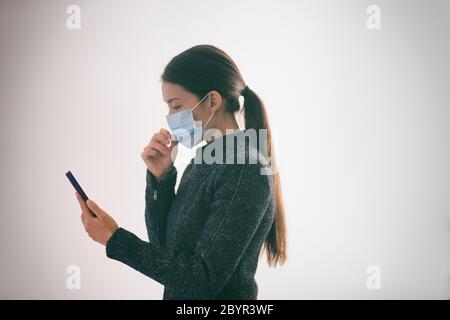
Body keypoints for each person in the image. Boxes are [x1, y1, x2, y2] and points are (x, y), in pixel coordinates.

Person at [76, 44, 287, 299]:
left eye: (175, 106)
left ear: (212, 100)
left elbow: (200, 279)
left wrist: (114, 239)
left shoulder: (244, 168)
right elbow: (164, 252)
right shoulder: (205, 160)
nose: (170, 117)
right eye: (168, 107)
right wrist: (161, 178)